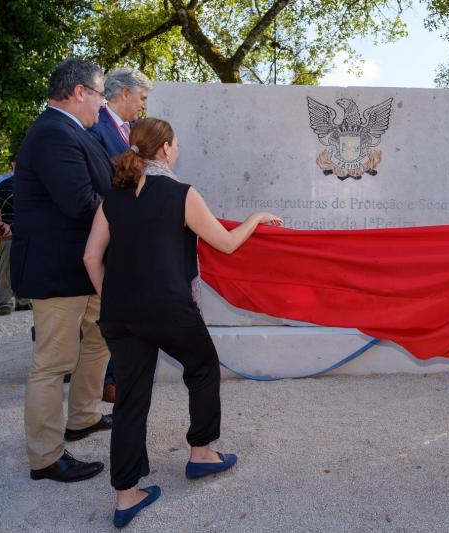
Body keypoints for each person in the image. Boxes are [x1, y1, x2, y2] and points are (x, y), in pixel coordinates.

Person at [83, 117, 282, 529]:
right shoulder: (181, 193)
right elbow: (225, 244)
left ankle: (126, 496)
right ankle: (202, 453)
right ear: (166, 149)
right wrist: (255, 219)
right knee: (204, 367)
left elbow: (90, 257)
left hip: (120, 314)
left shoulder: (111, 196)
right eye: (176, 145)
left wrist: (115, 299)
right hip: (169, 308)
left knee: (130, 400)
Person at [12, 58, 114, 483]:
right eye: (99, 94)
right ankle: (46, 457)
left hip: (83, 265)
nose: (101, 104)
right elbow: (79, 201)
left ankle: (84, 417)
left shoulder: (73, 131)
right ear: (78, 92)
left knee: (99, 340)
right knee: (52, 363)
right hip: (58, 268)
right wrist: (126, 219)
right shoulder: (54, 133)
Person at [87, 67, 152, 404]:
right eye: (142, 98)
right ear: (124, 93)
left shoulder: (132, 130)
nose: (144, 105)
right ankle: (108, 380)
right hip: (106, 231)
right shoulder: (95, 129)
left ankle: (115, 375)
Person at [0, 154, 31, 315]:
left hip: (29, 231)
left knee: (26, 265)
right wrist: (0, 225)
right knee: (6, 266)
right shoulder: (4, 184)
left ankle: (23, 300)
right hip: (9, 231)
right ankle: (4, 302)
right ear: (13, 163)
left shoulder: (33, 182)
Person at [88, 67, 151, 156]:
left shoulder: (142, 127)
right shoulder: (94, 127)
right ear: (126, 94)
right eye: (142, 98)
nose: (145, 106)